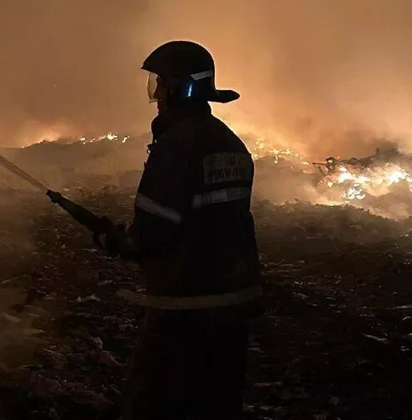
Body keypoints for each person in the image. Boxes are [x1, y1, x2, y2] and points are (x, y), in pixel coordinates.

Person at [95, 40, 263, 419]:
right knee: (217, 404)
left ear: (179, 88)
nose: (156, 96)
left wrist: (116, 240)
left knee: (155, 403)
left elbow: (153, 231)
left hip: (185, 305)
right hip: (234, 303)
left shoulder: (176, 147)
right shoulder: (230, 142)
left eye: (160, 85)